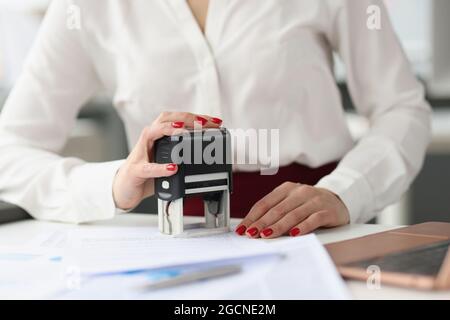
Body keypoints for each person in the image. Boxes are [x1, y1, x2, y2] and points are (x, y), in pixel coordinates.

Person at [0, 0, 431, 239]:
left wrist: (346, 191)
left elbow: (402, 108)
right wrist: (113, 184)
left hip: (315, 231)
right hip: (166, 239)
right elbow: (10, 151)